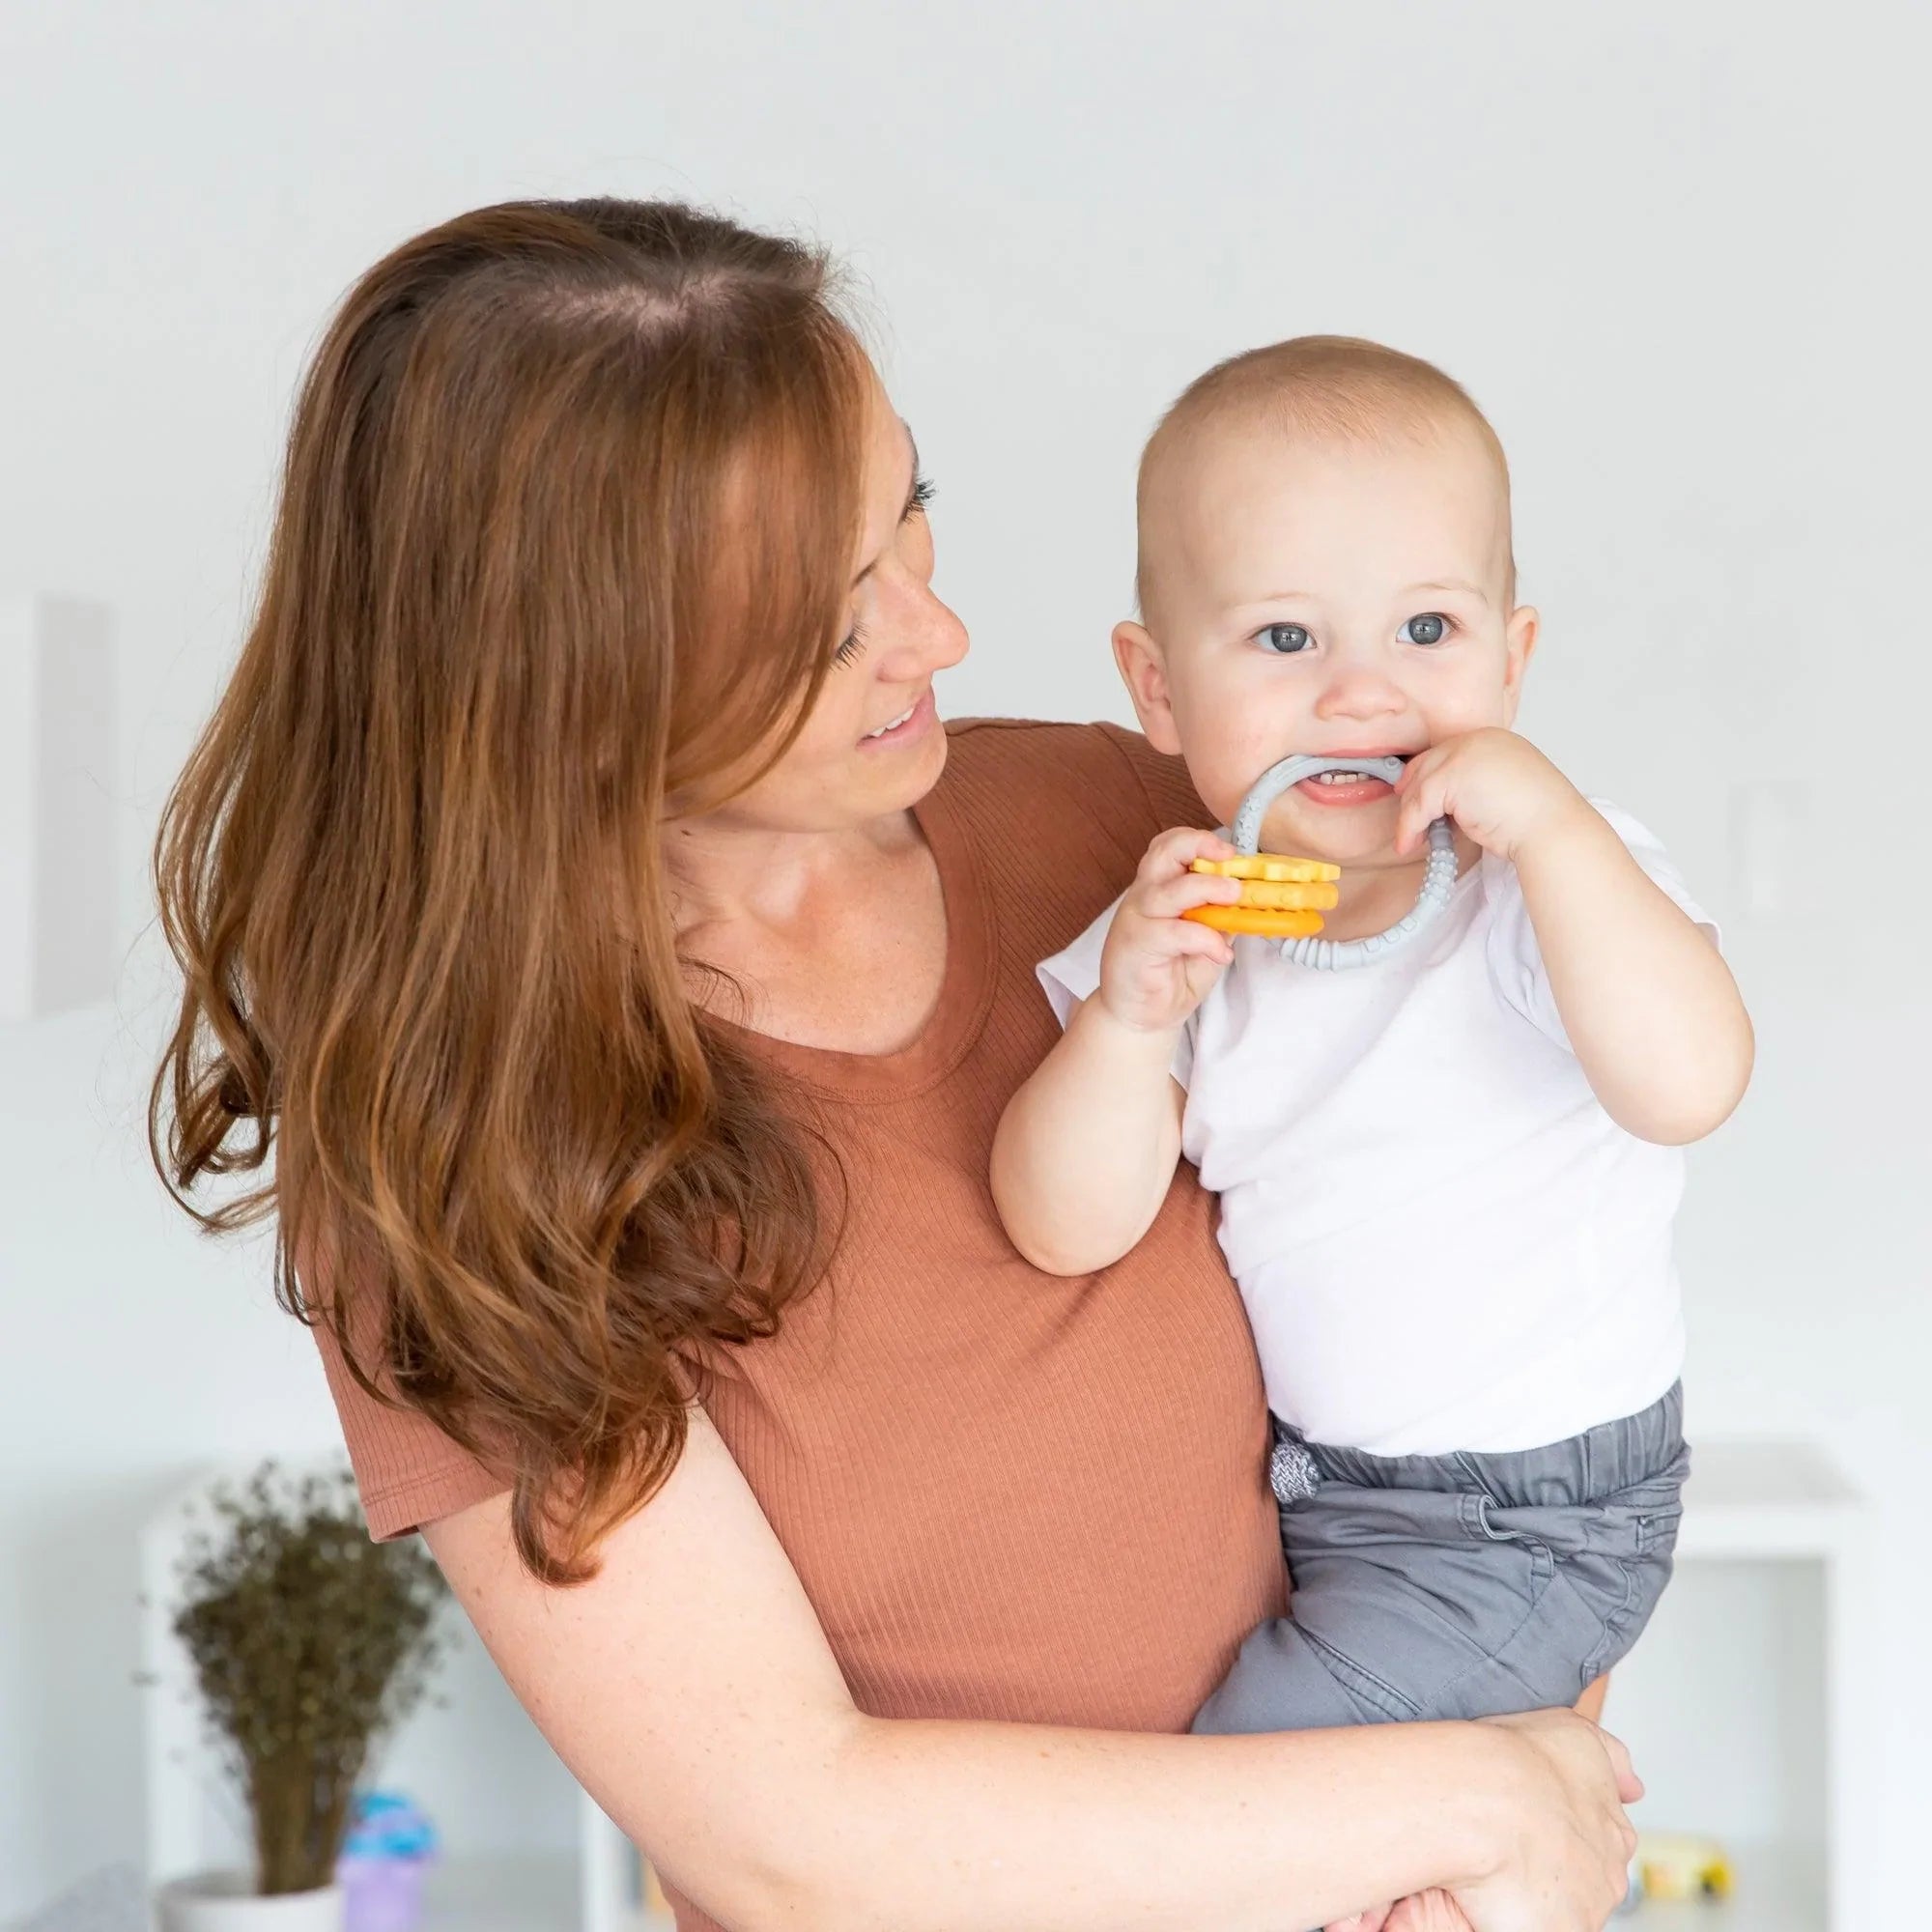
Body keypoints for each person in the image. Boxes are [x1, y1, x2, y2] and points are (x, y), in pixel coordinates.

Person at [150, 199, 1639, 1932]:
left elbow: (1525, 1309)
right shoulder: (459, 1155)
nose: (936, 635)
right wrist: (1473, 1797)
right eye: (819, 619)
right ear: (569, 680)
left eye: (910, 512)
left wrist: (1510, 1804)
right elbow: (788, 1841)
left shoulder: (1142, 827)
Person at [993, 338, 1752, 1743]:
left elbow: (1692, 1083)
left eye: (1426, 632)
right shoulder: (1182, 928)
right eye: (1286, 640)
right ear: (1158, 690)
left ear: (1512, 660)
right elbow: (1064, 1226)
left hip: (1529, 1517)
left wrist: (1564, 833)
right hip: (1319, 1499)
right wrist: (1121, 1022)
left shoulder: (1542, 894)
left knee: (1244, 1792)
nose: (1360, 693)